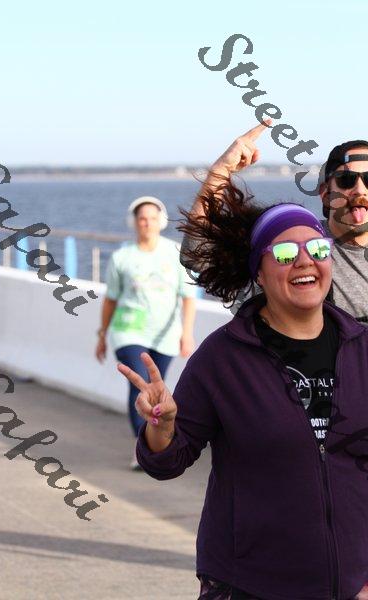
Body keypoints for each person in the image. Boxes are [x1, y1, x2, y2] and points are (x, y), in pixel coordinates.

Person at [117, 191, 368, 598]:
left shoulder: (362, 349)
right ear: (259, 273)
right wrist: (162, 427)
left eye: (318, 248)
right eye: (285, 253)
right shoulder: (223, 357)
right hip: (247, 584)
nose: (305, 261)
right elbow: (167, 462)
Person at [180, 122, 368, 320]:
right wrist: (220, 171)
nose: (360, 190)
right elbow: (196, 253)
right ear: (326, 194)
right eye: (346, 180)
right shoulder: (292, 243)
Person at [95, 196, 196, 470]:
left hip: (165, 334)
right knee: (140, 385)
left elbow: (188, 297)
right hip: (128, 331)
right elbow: (111, 299)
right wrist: (102, 335)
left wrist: (187, 334)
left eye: (152, 218)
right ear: (134, 222)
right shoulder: (122, 257)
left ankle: (154, 440)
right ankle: (140, 446)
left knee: (157, 388)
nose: (147, 223)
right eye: (142, 218)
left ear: (161, 222)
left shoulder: (175, 253)